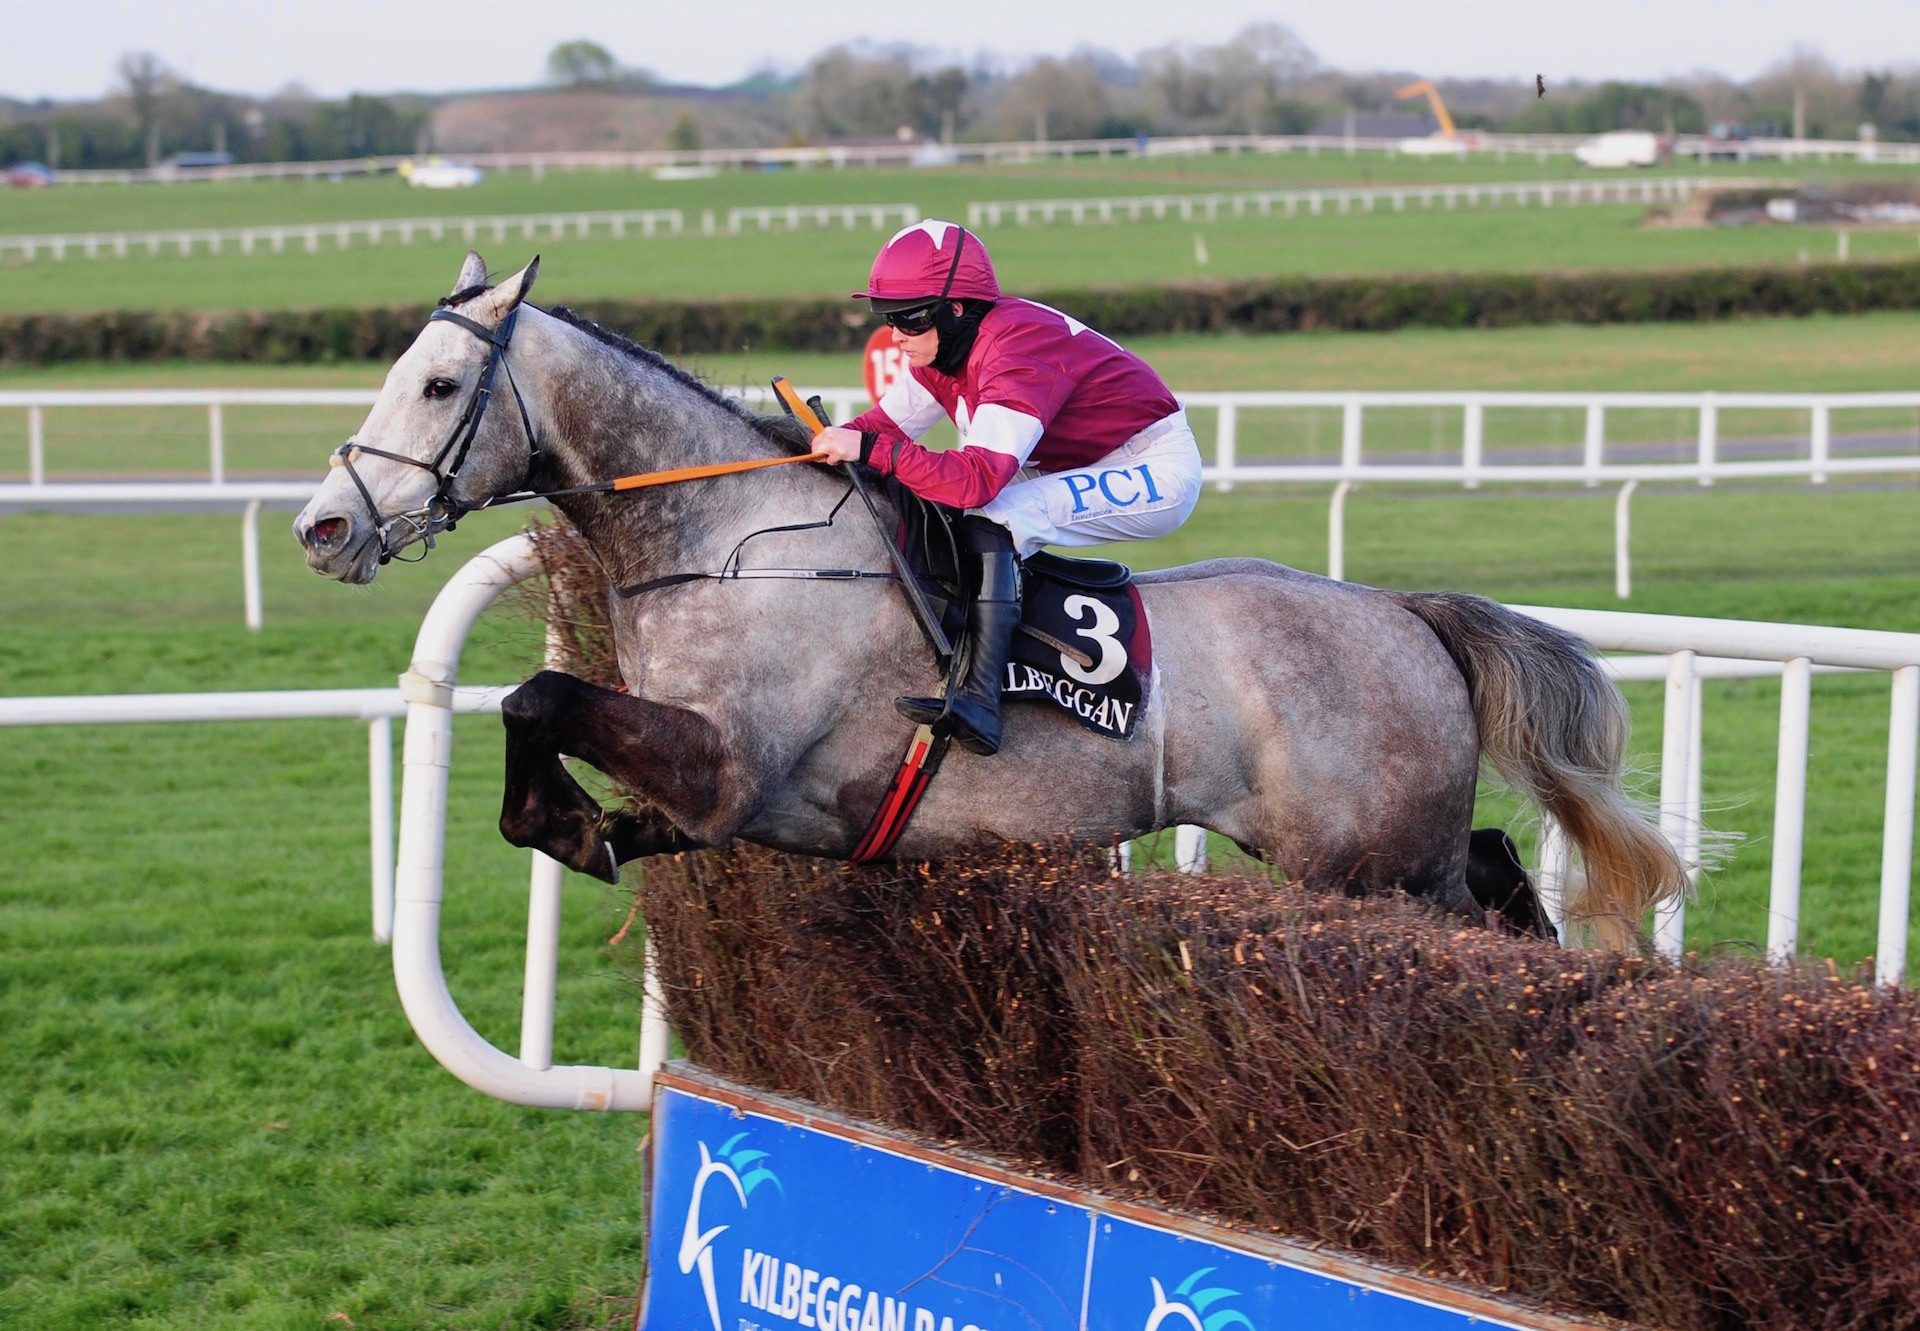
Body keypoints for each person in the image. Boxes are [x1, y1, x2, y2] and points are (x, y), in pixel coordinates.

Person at [812, 219, 1204, 757]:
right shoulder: (943, 354)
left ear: (955, 310)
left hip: (1154, 465)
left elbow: (974, 482)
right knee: (943, 509)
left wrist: (874, 452)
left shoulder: (1014, 347)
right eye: (887, 318)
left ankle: (980, 699)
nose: (895, 334)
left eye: (907, 318)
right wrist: (809, 442)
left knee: (994, 517)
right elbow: (880, 430)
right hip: (1064, 461)